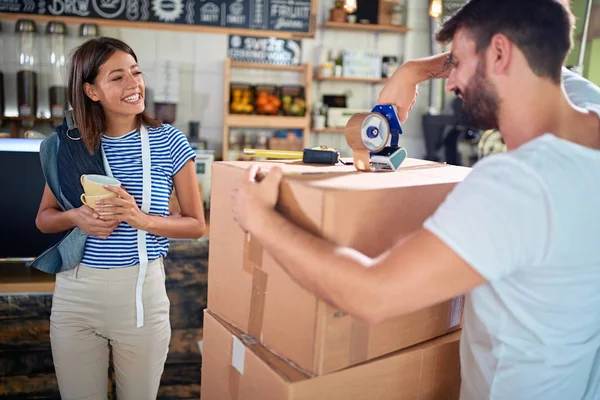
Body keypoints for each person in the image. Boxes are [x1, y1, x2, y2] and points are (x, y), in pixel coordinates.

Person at [231, 0, 600, 399]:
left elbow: (372, 295)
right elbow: (538, 47)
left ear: (498, 53)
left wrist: (261, 218)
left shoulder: (520, 182)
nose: (451, 81)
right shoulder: (588, 115)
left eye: (456, 64)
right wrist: (413, 71)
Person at [34, 37, 205, 399]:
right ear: (91, 91)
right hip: (76, 295)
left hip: (141, 295)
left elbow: (195, 224)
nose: (133, 83)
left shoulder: (169, 141)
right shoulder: (70, 144)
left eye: (136, 72)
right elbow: (45, 219)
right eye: (117, 77)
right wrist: (77, 216)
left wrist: (141, 219)